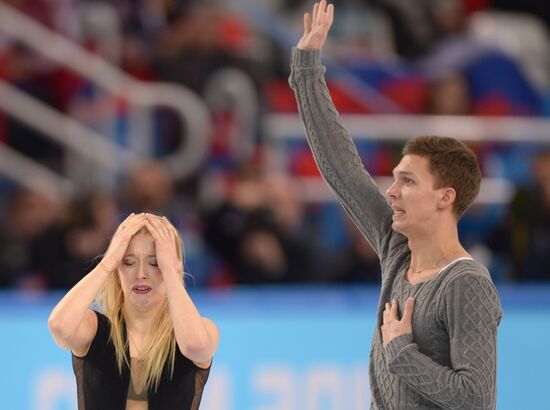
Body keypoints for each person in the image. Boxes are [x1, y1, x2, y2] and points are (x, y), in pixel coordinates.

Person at [289, 2, 502, 409]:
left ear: (445, 196)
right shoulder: (397, 250)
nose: (391, 191)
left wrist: (403, 352)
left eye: (407, 181)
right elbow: (343, 169)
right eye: (394, 179)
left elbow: (476, 399)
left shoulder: (466, 284)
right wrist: (307, 69)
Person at [48, 213, 219, 409]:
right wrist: (109, 260)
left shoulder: (201, 330)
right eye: (128, 262)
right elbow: (59, 326)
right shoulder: (93, 329)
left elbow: (195, 346)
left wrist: (170, 271)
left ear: (173, 265)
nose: (140, 274)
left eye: (155, 263)